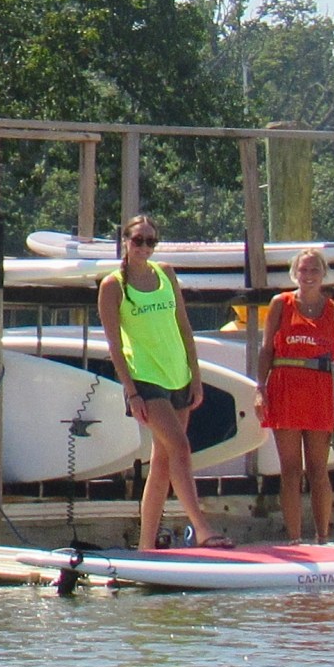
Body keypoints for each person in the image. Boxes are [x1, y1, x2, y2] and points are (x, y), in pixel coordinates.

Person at [98, 221, 230, 550]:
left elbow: (184, 327)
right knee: (180, 446)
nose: (144, 247)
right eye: (138, 240)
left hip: (177, 375)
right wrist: (131, 392)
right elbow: (114, 344)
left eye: (151, 241)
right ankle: (201, 528)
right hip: (145, 378)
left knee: (163, 462)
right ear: (125, 241)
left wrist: (196, 375)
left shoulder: (166, 273)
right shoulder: (113, 285)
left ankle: (146, 545)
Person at [256, 247, 334, 543]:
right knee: (291, 470)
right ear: (294, 273)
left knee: (319, 470)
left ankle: (323, 536)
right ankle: (294, 537)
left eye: (314, 270)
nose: (308, 276)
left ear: (323, 274)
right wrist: (261, 389)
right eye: (303, 270)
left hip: (320, 388)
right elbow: (266, 349)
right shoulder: (280, 304)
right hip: (285, 386)